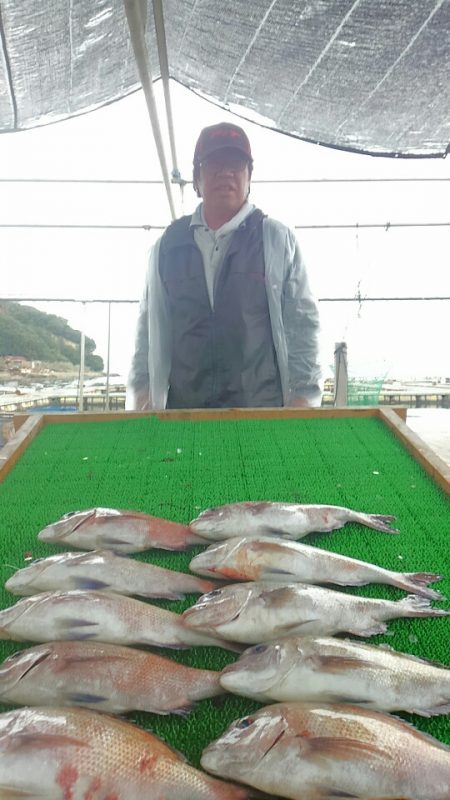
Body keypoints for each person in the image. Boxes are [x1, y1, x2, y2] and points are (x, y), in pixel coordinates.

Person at [127, 121, 322, 410]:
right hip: (185, 416)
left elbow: (302, 324)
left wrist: (302, 397)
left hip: (260, 414)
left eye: (236, 164)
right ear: (196, 178)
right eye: (214, 163)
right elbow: (149, 326)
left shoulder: (277, 240)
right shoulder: (168, 246)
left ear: (249, 176)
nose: (226, 172)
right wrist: (143, 393)